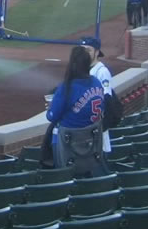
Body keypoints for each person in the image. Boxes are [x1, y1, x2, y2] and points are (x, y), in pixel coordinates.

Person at [45, 47, 108, 176]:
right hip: (92, 142)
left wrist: (51, 108)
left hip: (68, 144)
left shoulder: (67, 87)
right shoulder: (96, 82)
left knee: (52, 134)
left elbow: (52, 116)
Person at [84, 38, 113, 155]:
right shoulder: (84, 70)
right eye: (83, 50)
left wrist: (102, 126)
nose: (85, 53)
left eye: (88, 50)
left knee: (100, 156)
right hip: (87, 126)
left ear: (96, 52)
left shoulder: (102, 71)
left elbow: (107, 99)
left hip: (98, 125)